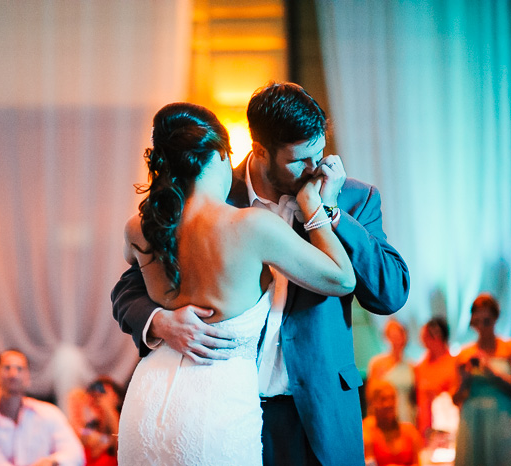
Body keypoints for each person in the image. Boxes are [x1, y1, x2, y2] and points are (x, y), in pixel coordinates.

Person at [111, 82, 410, 466]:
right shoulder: (208, 191)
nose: (316, 168)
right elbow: (129, 286)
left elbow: (391, 293)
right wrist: (160, 322)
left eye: (319, 153)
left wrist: (330, 214)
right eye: (300, 160)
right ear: (261, 150)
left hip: (321, 413)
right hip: (224, 409)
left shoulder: (353, 197)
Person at [0, 349, 85, 466]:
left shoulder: (49, 413)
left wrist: (52, 461)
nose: (13, 374)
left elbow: (76, 455)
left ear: (28, 377)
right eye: (7, 368)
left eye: (20, 369)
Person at [452, 293, 511, 466]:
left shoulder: (507, 349)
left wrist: (493, 373)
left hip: (501, 417)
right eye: (477, 322)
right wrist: (465, 380)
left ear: (495, 319)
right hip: (472, 419)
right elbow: (456, 400)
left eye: (486, 321)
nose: (482, 327)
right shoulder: (465, 354)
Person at [413, 316, 457, 438]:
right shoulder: (421, 366)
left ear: (437, 335)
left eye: (425, 336)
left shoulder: (454, 364)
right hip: (424, 429)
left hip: (446, 429)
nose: (422, 340)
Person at [362, 379, 423, 466]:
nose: (389, 404)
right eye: (383, 399)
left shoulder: (409, 431)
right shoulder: (367, 432)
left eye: (392, 398)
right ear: (372, 402)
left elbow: (417, 463)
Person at [368, 319, 416, 424]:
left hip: (406, 416)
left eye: (399, 335)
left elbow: (414, 399)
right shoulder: (378, 363)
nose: (396, 339)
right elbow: (371, 396)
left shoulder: (411, 366)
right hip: (386, 417)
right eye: (392, 335)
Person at [68, 377, 123, 466]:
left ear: (116, 399)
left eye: (101, 394)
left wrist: (109, 408)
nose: (97, 400)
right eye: (94, 395)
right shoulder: (88, 429)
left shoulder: (122, 426)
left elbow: (119, 448)